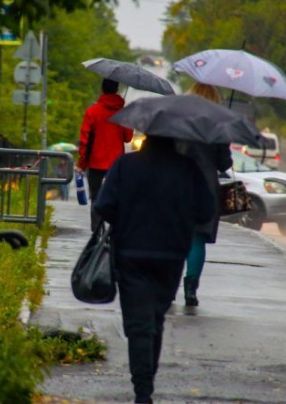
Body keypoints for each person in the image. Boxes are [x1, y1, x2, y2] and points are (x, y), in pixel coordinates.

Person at [93, 135, 214, 404]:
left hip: (131, 253)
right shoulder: (188, 169)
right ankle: (146, 384)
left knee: (138, 324)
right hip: (171, 256)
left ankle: (143, 391)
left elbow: (104, 206)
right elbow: (206, 211)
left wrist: (127, 217)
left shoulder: (125, 165)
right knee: (155, 319)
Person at [178, 82, 233, 307]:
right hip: (206, 188)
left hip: (178, 183)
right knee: (197, 238)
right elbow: (224, 163)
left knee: (173, 236)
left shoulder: (180, 120)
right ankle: (191, 288)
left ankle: (168, 285)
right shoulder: (218, 123)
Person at [77, 78, 133, 231]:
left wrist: (82, 163)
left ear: (102, 90)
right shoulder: (123, 113)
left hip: (95, 162)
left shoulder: (92, 111)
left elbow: (85, 140)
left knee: (96, 197)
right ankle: (114, 230)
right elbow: (128, 138)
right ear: (117, 90)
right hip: (116, 164)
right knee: (116, 197)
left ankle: (96, 231)